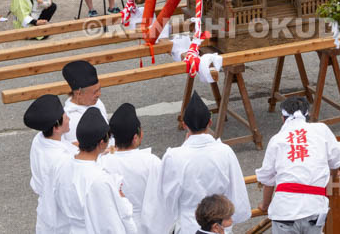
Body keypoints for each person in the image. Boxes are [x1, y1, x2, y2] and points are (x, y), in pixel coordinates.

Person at [148, 91, 252, 234]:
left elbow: (166, 198)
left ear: (184, 125)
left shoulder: (174, 156)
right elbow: (236, 191)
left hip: (188, 225)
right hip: (219, 225)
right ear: (210, 122)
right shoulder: (224, 151)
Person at [255, 97, 340, 234]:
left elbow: (268, 178)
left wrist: (265, 205)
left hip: (284, 210)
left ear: (283, 118)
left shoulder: (277, 139)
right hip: (314, 207)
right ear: (307, 115)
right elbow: (336, 160)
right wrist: (332, 180)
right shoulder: (321, 129)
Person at [47, 107, 138, 233]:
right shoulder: (99, 179)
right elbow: (110, 224)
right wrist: (121, 198)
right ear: (102, 143)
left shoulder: (60, 165)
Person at [99, 103, 163, 234]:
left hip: (115, 226)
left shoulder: (103, 162)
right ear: (135, 138)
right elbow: (160, 199)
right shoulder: (151, 162)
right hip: (145, 224)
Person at [25, 93, 77, 232]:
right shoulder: (62, 160)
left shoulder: (39, 139)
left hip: (45, 217)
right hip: (63, 222)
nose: (69, 118)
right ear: (56, 127)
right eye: (65, 116)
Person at [60, 59, 108, 144]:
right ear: (79, 94)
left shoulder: (97, 102)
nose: (99, 94)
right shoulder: (70, 120)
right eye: (94, 92)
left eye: (99, 89)